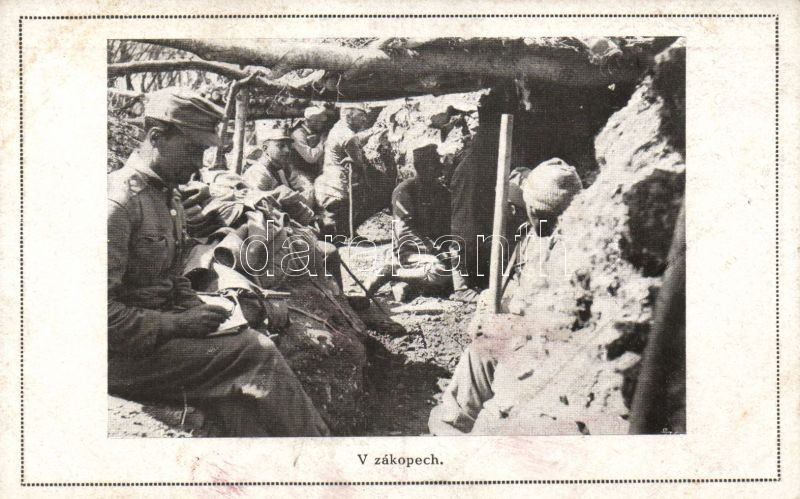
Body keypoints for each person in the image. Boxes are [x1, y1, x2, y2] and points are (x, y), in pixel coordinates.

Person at [107, 87, 329, 437]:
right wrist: (177, 324)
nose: (200, 164)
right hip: (122, 358)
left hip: (154, 342)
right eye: (194, 150)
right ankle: (325, 456)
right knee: (257, 353)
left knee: (240, 392)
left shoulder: (168, 196)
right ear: (156, 137)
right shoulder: (118, 205)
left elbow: (172, 273)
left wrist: (194, 306)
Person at [428, 158, 583, 435]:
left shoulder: (574, 248)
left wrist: (504, 322)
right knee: (481, 349)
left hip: (556, 354)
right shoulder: (532, 238)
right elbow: (511, 286)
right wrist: (491, 301)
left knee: (486, 349)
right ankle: (456, 419)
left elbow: (555, 321)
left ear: (534, 209)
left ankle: (460, 424)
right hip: (529, 336)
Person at [363, 144, 452, 297]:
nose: (439, 168)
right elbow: (405, 232)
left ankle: (406, 285)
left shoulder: (441, 191)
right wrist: (434, 249)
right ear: (420, 167)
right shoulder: (405, 190)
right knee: (440, 272)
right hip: (410, 250)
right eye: (433, 164)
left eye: (438, 164)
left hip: (436, 251)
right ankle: (393, 272)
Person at [314, 103, 375, 237]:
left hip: (329, 180)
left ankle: (338, 239)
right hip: (337, 184)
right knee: (335, 216)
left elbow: (355, 140)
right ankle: (335, 244)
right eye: (361, 116)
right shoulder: (347, 135)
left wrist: (372, 132)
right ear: (349, 116)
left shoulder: (338, 128)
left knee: (335, 215)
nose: (364, 120)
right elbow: (359, 160)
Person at [242, 127, 316, 226]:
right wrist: (278, 195)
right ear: (265, 148)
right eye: (280, 146)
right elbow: (253, 204)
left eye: (289, 146)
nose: (287, 150)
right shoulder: (258, 172)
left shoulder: (280, 168)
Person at [290, 106, 329, 182]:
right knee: (309, 191)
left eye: (321, 121)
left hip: (315, 173)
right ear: (307, 121)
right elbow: (310, 157)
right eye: (316, 121)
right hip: (300, 175)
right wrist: (321, 142)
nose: (320, 124)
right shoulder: (298, 134)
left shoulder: (316, 133)